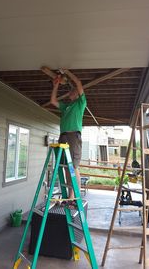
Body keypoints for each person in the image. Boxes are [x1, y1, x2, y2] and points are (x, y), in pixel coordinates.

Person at [50, 69, 87, 202]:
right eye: (70, 91)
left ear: (78, 93)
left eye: (73, 90)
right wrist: (56, 85)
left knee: (73, 166)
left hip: (73, 136)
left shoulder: (81, 103)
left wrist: (67, 71)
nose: (70, 91)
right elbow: (53, 100)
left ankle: (74, 195)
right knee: (65, 166)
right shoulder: (65, 106)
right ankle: (69, 194)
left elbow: (78, 82)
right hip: (63, 136)